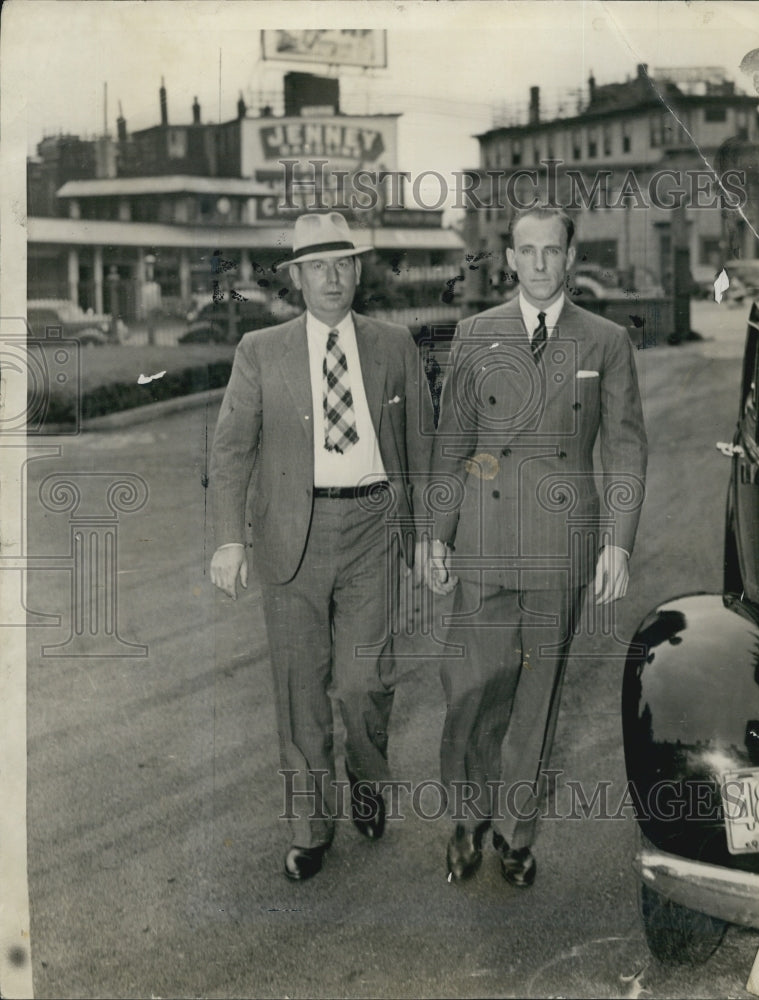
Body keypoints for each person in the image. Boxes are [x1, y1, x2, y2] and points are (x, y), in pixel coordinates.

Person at [424, 205, 647, 888]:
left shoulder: (606, 340)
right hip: (485, 540)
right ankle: (467, 818)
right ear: (510, 259)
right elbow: (451, 446)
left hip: (562, 544)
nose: (542, 263)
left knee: (537, 700)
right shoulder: (475, 334)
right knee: (472, 690)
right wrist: (435, 534)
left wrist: (618, 542)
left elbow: (628, 445)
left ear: (570, 255)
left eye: (554, 249)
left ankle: (516, 836)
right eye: (529, 250)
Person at [209, 212, 433, 881]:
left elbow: (423, 448)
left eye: (343, 264)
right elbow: (230, 449)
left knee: (365, 683)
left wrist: (427, 539)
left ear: (358, 271)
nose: (332, 279)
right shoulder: (260, 351)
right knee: (299, 692)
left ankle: (367, 779)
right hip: (288, 538)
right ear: (297, 279)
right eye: (318, 267)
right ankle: (311, 828)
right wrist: (227, 538)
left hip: (371, 529)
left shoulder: (395, 345)